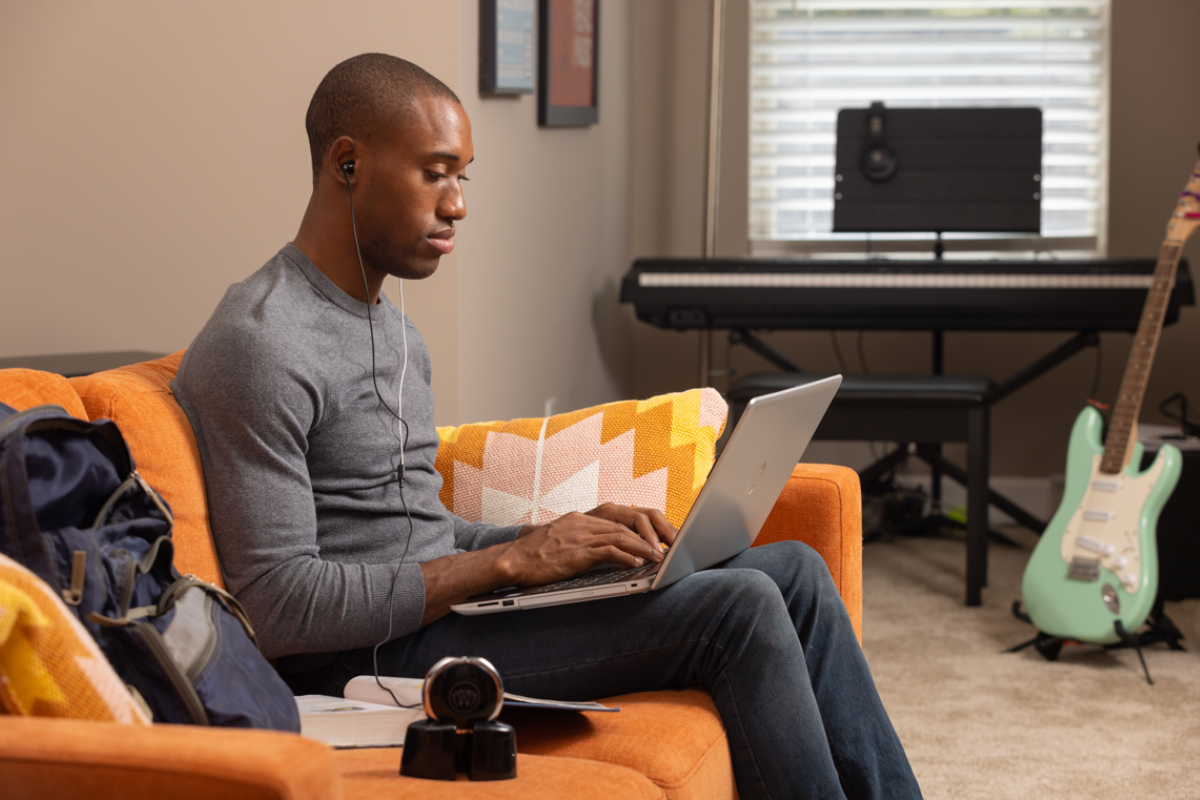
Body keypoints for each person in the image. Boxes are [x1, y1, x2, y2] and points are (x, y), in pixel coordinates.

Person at [173, 53, 922, 800]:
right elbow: (276, 607)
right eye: (435, 173)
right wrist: (511, 563)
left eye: (463, 177)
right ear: (348, 165)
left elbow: (414, 532)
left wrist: (564, 540)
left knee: (793, 570)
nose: (458, 204)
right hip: (361, 663)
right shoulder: (260, 344)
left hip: (436, 619)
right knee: (741, 608)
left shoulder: (392, 326)